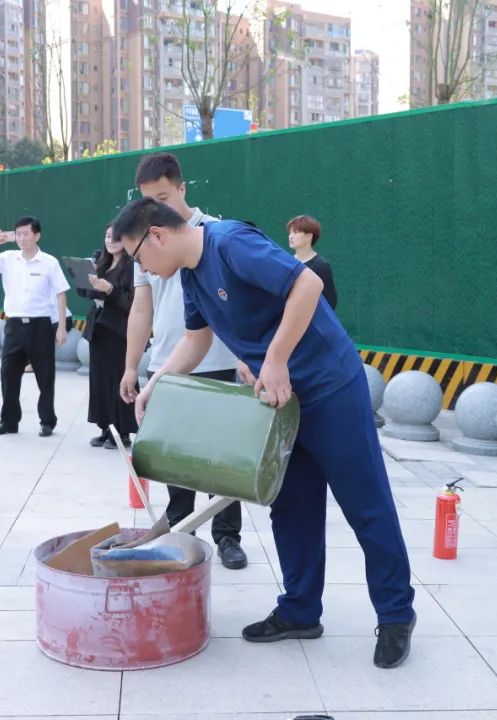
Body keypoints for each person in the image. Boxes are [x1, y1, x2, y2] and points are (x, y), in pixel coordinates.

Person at [112, 198, 417, 668]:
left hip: (329, 388)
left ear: (157, 235)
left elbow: (308, 284)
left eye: (138, 257)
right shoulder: (190, 276)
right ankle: (300, 610)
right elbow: (196, 340)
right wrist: (157, 382)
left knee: (365, 502)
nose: (144, 270)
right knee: (291, 506)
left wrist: (274, 358)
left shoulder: (230, 242)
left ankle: (396, 614)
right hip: (279, 402)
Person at [119, 151, 250, 571]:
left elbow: (242, 302)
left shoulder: (213, 233)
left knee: (220, 456)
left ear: (181, 188)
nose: (156, 207)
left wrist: (246, 356)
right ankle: (181, 530)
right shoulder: (142, 241)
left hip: (216, 359)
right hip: (167, 361)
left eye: (163, 197)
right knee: (175, 457)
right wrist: (131, 365)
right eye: (148, 200)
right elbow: (142, 308)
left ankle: (227, 536)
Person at [0, 216, 69, 437]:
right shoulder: (8, 258)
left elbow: (61, 293)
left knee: (45, 376)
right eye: (18, 234)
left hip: (40, 325)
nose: (21, 238)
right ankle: (9, 421)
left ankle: (47, 421)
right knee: (8, 374)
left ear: (37, 235)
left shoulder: (49, 262)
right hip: (14, 325)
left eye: (26, 234)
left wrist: (61, 326)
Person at [79, 224, 138, 448]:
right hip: (99, 329)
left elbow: (132, 303)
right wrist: (84, 274)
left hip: (118, 331)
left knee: (118, 378)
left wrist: (110, 289)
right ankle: (106, 426)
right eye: (106, 236)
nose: (110, 241)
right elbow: (85, 292)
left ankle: (122, 431)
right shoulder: (102, 263)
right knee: (100, 380)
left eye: (115, 237)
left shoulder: (132, 266)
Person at [287, 215, 337, 309]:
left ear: (309, 236)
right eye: (290, 233)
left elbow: (329, 301)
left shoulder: (321, 265)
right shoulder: (288, 262)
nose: (291, 236)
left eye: (296, 232)